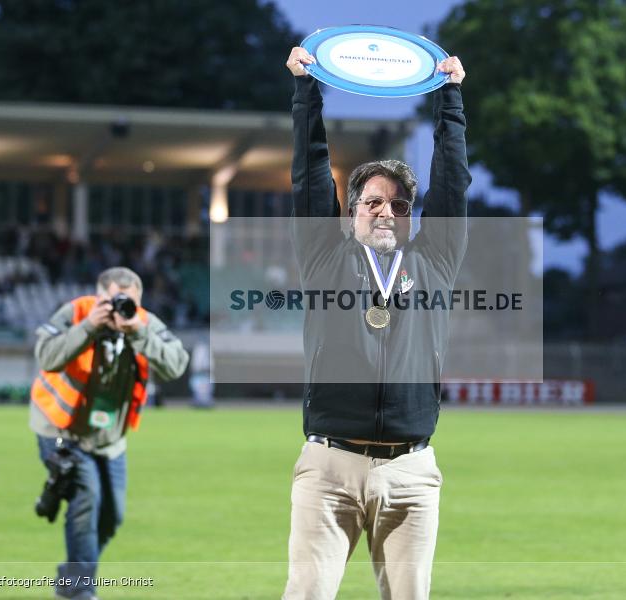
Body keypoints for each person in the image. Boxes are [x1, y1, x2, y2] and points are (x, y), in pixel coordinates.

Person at [283, 46, 470, 599]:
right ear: (351, 212)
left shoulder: (435, 262)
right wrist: (306, 90)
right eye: (372, 202)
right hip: (329, 467)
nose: (386, 211)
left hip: (411, 473)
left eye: (399, 205)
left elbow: (453, 185)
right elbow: (310, 174)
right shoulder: (324, 257)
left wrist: (450, 98)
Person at [30, 267, 188, 600]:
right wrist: (89, 327)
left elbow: (176, 363)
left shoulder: (141, 321)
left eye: (130, 302)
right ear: (100, 296)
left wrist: (139, 333)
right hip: (62, 429)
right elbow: (45, 355)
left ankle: (72, 578)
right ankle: (81, 590)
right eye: (115, 301)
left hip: (109, 439)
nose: (121, 309)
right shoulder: (77, 312)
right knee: (86, 499)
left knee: (112, 515)